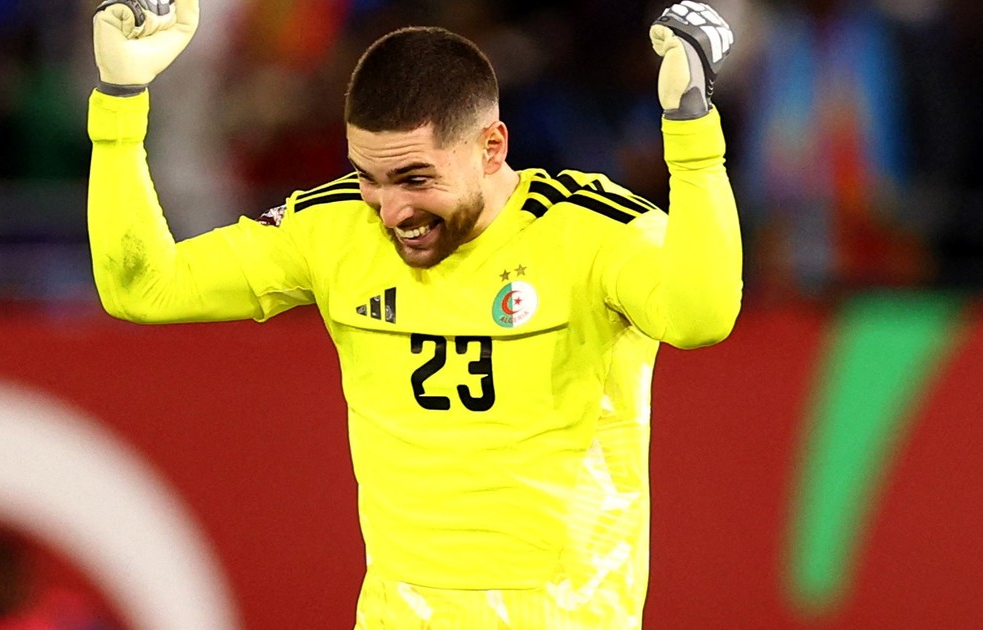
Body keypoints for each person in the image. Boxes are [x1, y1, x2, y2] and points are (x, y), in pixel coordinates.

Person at [87, 0, 740, 627]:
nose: (392, 210)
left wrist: (692, 137)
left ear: (491, 147)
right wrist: (119, 102)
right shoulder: (334, 228)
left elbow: (700, 316)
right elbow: (144, 288)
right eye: (368, 177)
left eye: (415, 178)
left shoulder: (589, 231)